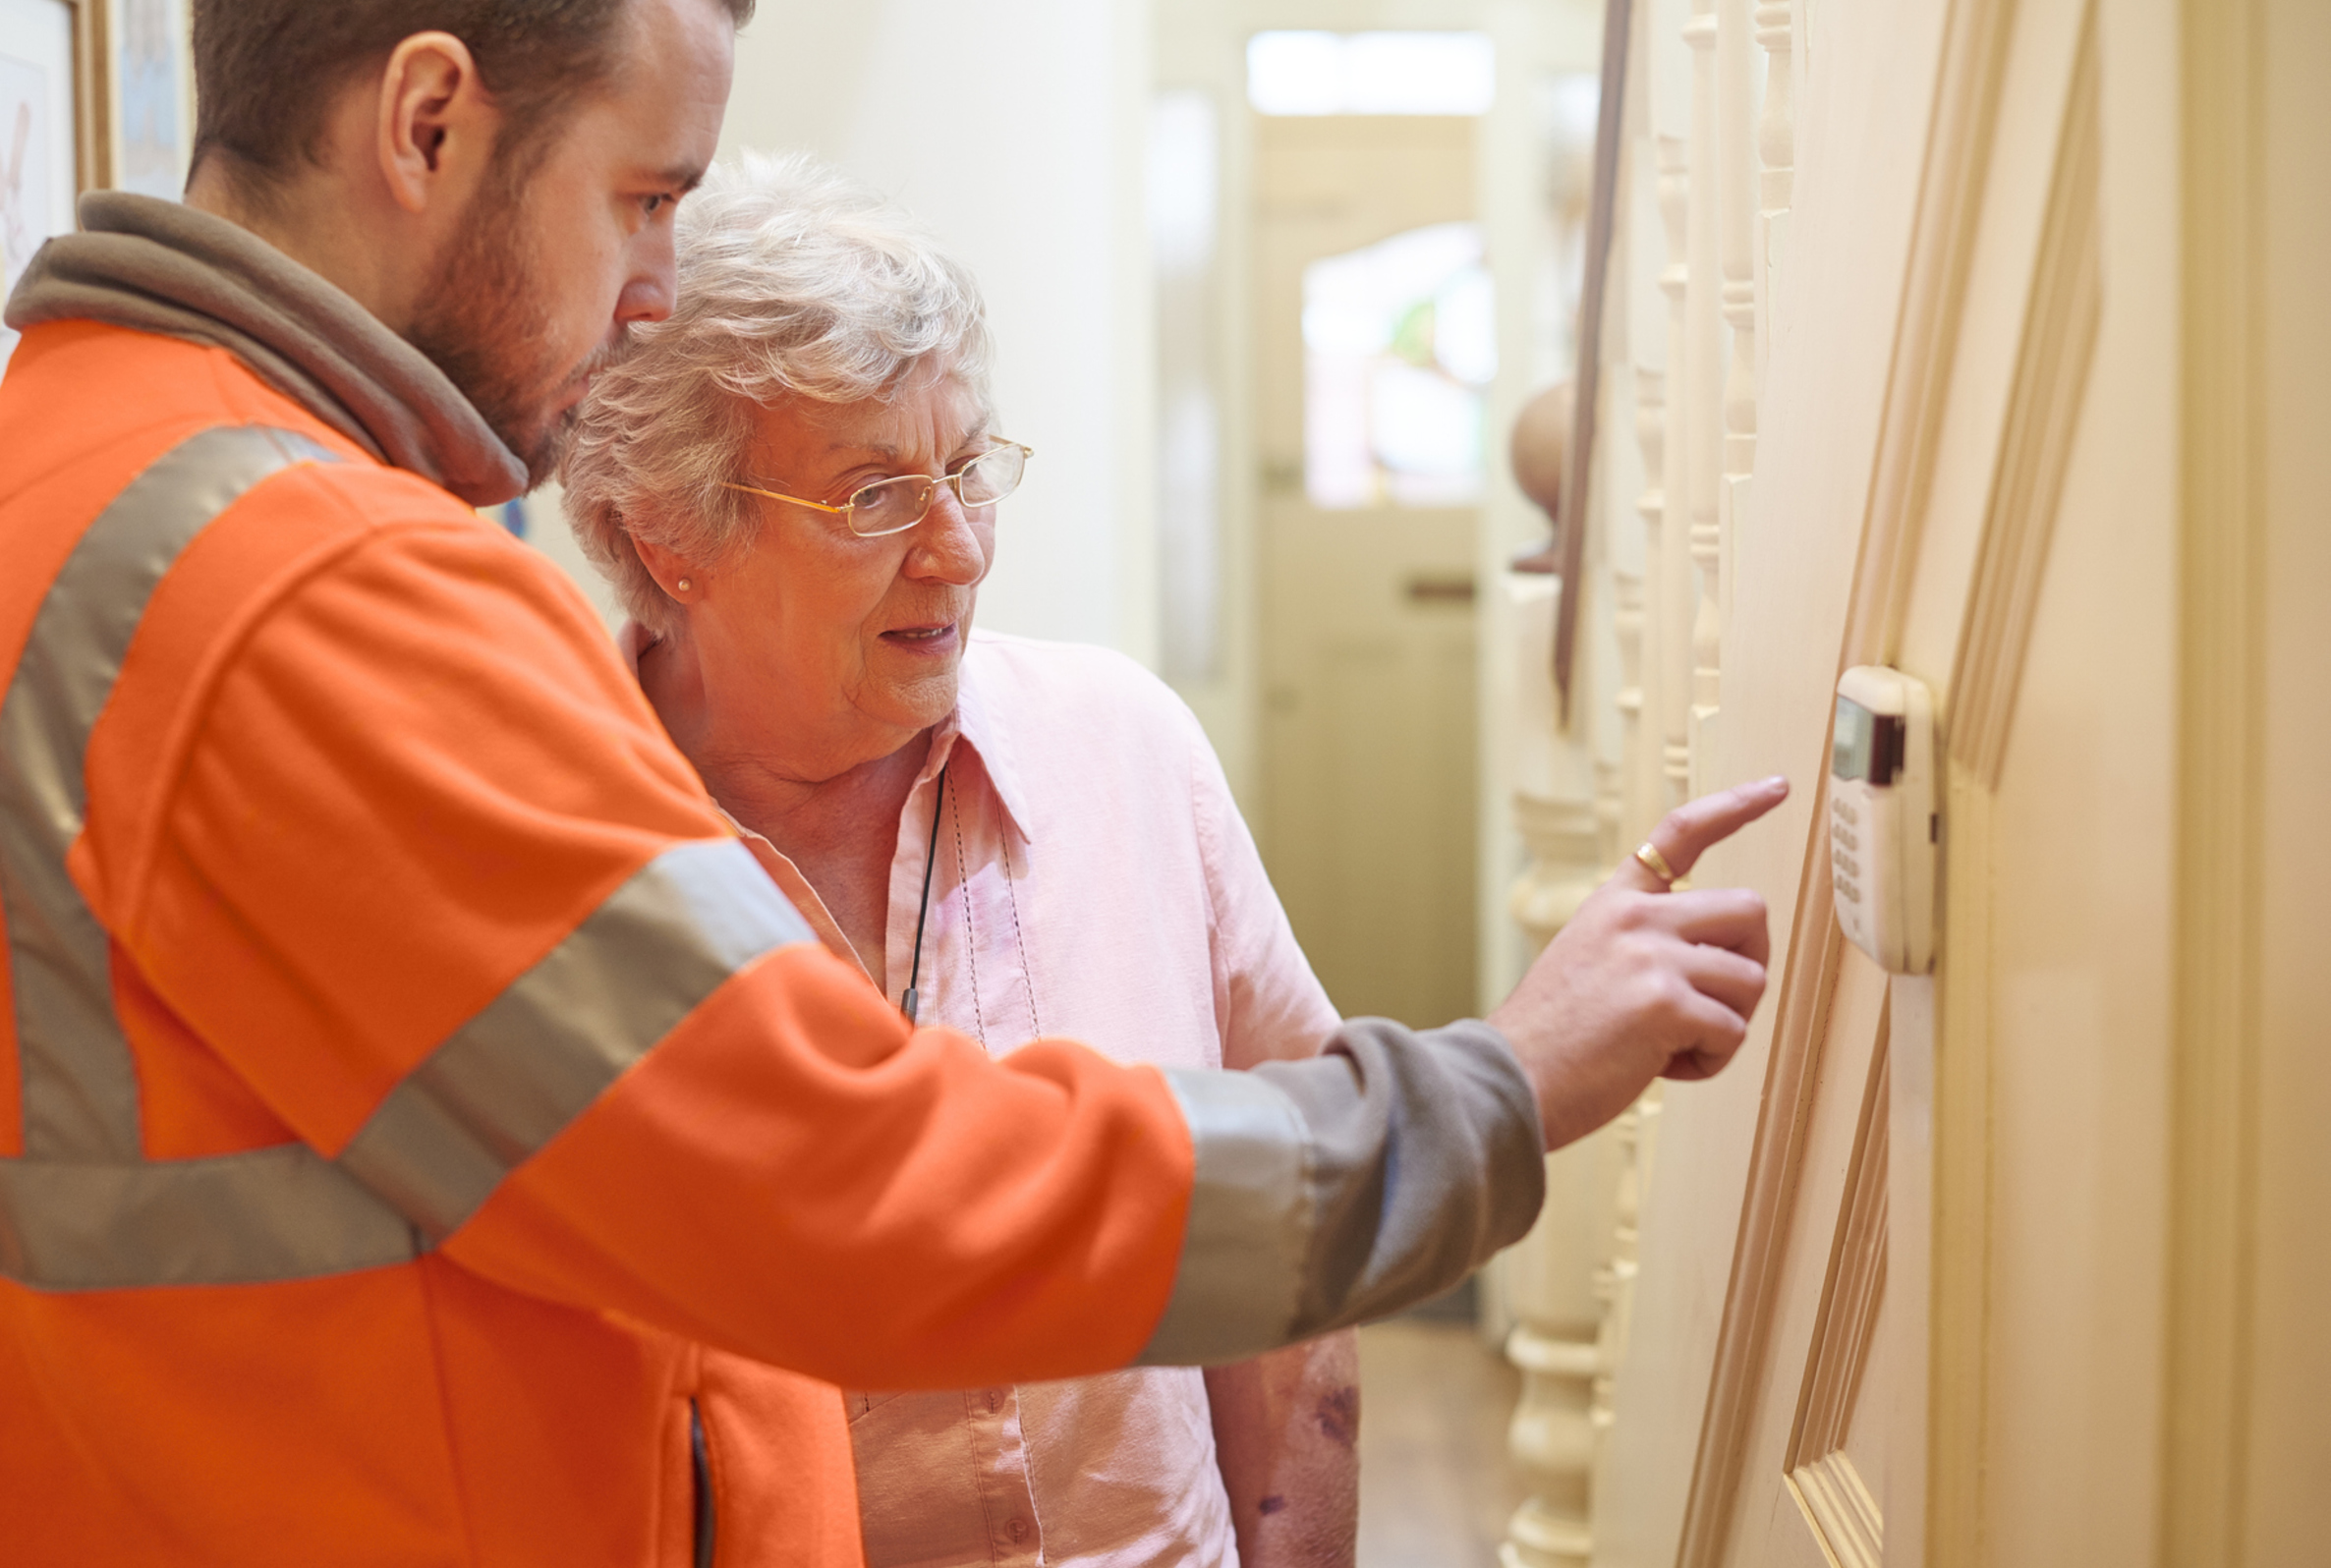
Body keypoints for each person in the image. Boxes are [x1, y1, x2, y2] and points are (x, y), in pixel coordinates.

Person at [0, 1, 1784, 1562]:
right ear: (427, 123)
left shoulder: (76, 464)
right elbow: (846, 1184)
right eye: (646, 195)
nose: (651, 290)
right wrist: (1498, 1086)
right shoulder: (304, 576)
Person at [560, 150, 1360, 1568]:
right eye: (872, 496)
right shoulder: (560, 860)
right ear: (666, 534)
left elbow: (1300, 1237)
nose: (960, 546)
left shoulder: (1127, 749)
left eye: (971, 465)